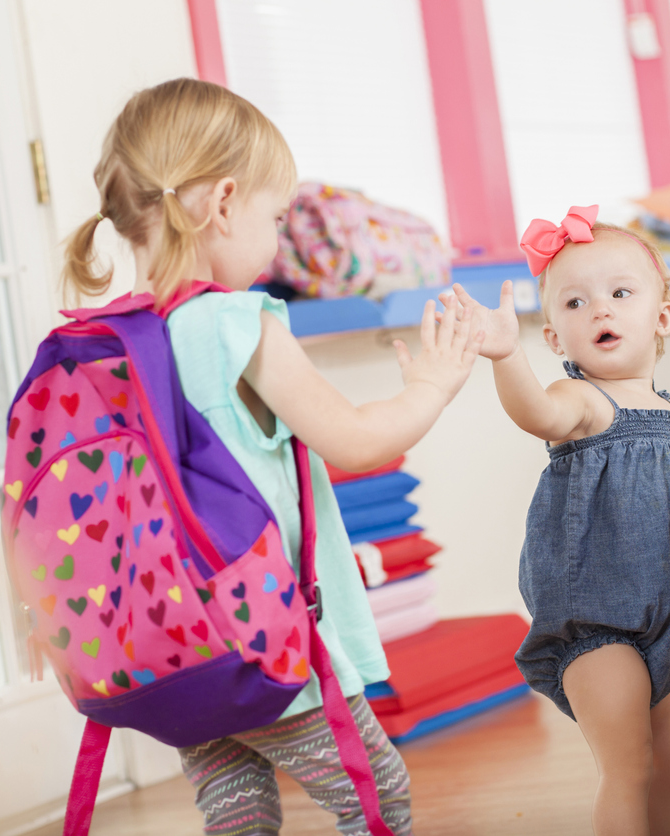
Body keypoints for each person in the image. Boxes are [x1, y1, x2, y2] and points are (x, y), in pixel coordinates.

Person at [61, 77, 483, 836]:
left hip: (165, 645)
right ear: (222, 204)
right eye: (276, 215)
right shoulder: (237, 324)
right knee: (377, 798)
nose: (279, 236)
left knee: (237, 812)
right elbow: (359, 438)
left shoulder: (105, 343)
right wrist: (432, 383)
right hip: (264, 645)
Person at [447, 205, 670, 836]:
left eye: (619, 293)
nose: (599, 310)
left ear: (662, 318)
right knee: (628, 765)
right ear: (554, 339)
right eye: (574, 304)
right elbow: (536, 415)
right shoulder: (581, 401)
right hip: (598, 624)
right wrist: (505, 356)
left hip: (663, 624)